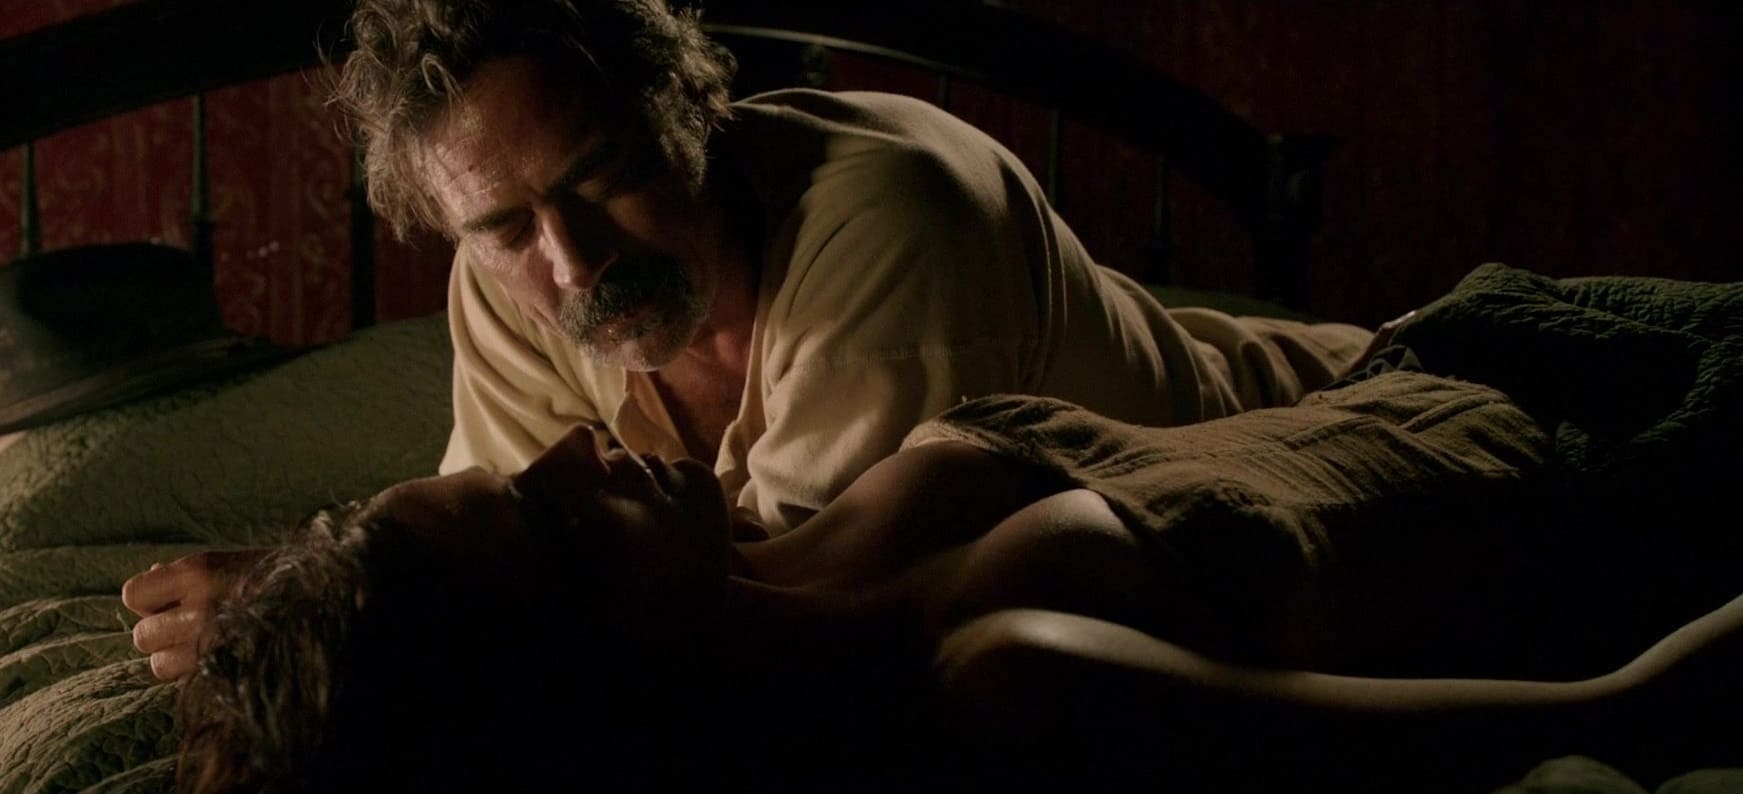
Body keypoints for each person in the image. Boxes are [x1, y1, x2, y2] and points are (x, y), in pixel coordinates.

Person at [125, 0, 1374, 681]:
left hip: (1354, 407)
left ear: (689, 110)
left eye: (603, 178)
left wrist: (338, 595)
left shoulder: (897, 218)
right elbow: (527, 548)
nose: (572, 265)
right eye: (502, 227)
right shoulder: (505, 282)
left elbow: (757, 600)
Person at [171, 371, 1743, 792]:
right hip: (1651, 467)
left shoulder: (770, 549)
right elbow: (1619, 706)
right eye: (553, 520)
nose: (580, 444)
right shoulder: (1010, 680)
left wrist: (313, 595)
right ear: (591, 675)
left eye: (520, 466)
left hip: (1486, 341)